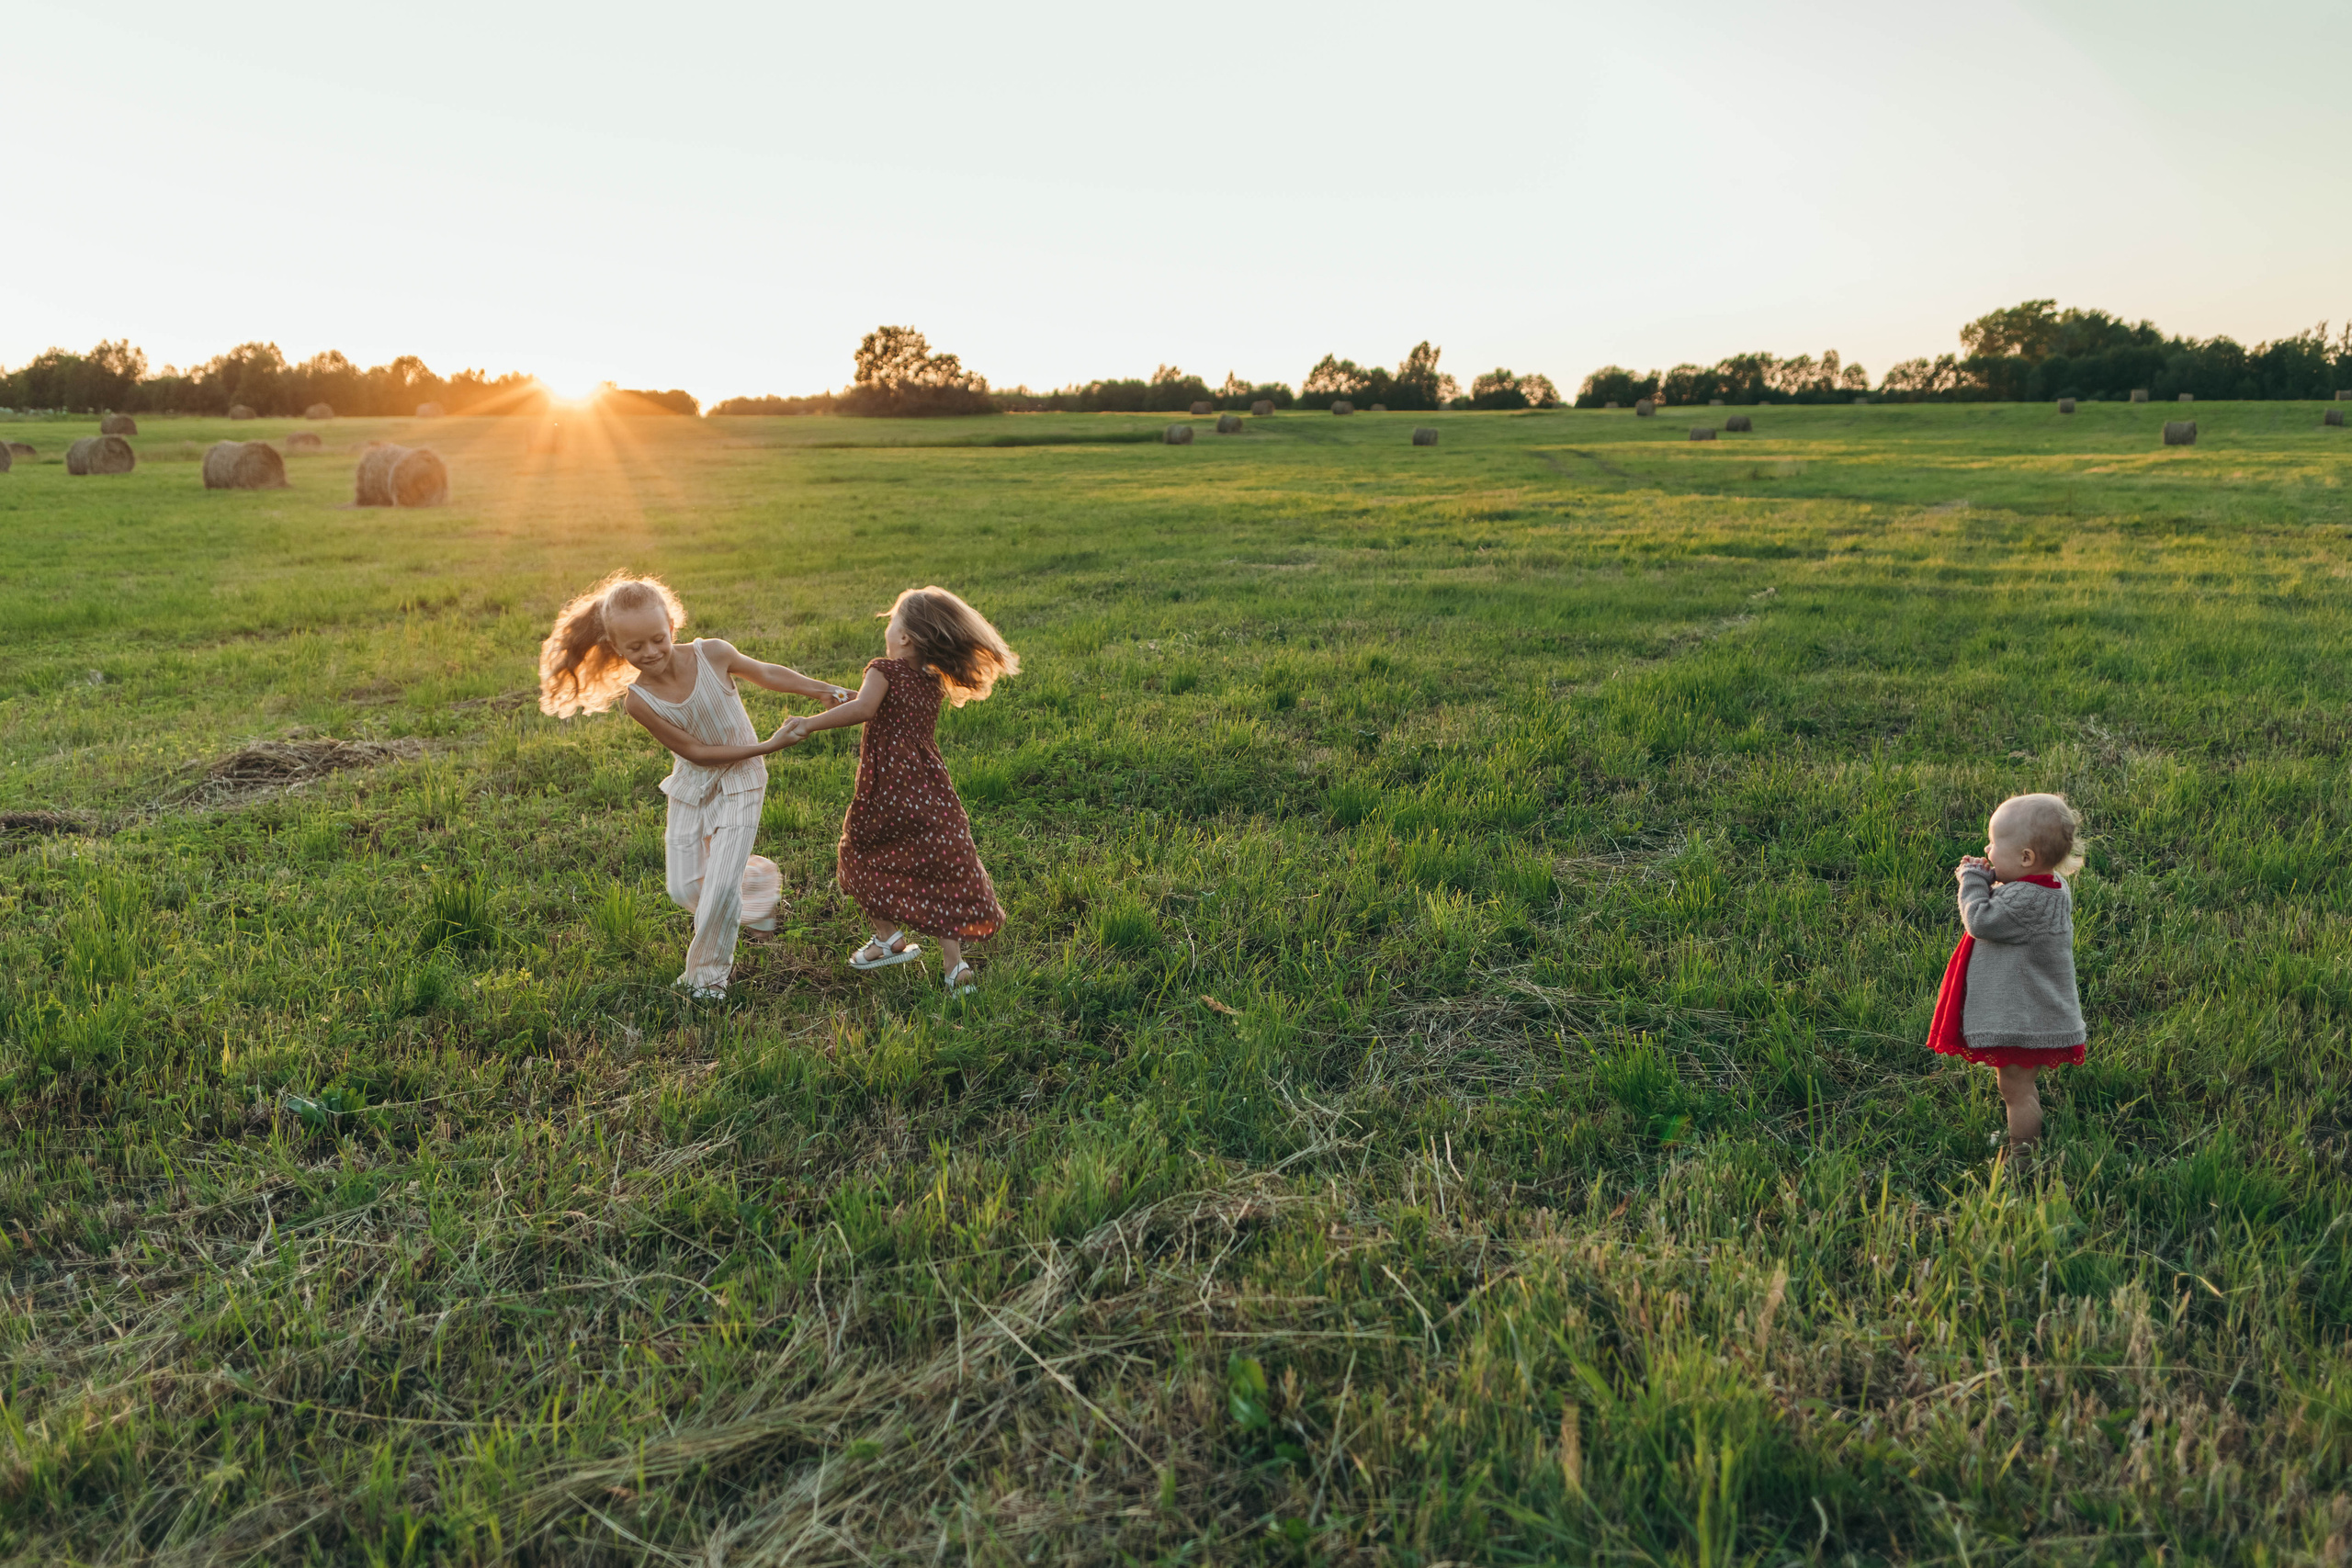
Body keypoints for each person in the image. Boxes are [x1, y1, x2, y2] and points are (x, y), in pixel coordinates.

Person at [537, 572, 848, 998]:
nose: (650, 652)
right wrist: (768, 744)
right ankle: (755, 882)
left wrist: (822, 690)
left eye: (657, 638)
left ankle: (707, 979)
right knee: (684, 888)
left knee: (719, 888)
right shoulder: (639, 702)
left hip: (742, 782)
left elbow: (766, 672)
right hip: (692, 785)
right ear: (615, 647)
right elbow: (697, 752)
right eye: (635, 647)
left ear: (672, 626)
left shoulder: (713, 654)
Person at [777, 586, 1017, 995]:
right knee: (938, 864)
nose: (887, 627)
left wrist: (810, 722)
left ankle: (888, 938)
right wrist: (844, 695)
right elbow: (883, 706)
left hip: (888, 787)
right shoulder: (930, 680)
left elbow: (867, 709)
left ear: (904, 637)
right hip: (929, 789)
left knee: (858, 853)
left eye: (892, 621)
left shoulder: (883, 669)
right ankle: (954, 968)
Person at [1927, 792, 2088, 1153]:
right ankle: (2023, 1135)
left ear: (2026, 858)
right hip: (2031, 1013)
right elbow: (2010, 898)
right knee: (2019, 1085)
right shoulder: (2046, 887)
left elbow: (1980, 920)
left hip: (2022, 1021)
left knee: (2015, 1090)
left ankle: (2022, 1152)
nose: (1987, 849)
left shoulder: (2028, 900)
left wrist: (1971, 879)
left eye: (1995, 843)